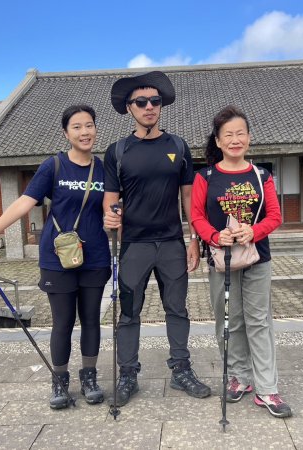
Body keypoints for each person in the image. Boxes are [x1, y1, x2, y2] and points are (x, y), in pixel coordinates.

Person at [0, 104, 110, 410]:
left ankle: (90, 377)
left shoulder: (105, 169)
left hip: (95, 256)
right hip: (57, 258)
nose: (85, 132)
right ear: (66, 133)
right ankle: (60, 380)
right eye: (77, 127)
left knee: (91, 320)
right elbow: (22, 205)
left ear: (96, 129)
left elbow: (112, 210)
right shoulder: (53, 166)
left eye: (89, 125)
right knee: (63, 322)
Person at [102, 71, 211, 406]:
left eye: (155, 101)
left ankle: (181, 370)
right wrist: (110, 218)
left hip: (170, 244)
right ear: (129, 108)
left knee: (176, 309)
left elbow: (189, 198)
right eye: (141, 102)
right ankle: (128, 375)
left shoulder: (177, 146)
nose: (149, 107)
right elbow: (110, 199)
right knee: (130, 312)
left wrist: (194, 240)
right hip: (134, 245)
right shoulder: (117, 151)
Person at [190, 105, 292, 418]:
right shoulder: (205, 176)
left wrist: (254, 230)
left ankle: (267, 389)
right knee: (229, 320)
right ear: (218, 141)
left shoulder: (262, 175)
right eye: (228, 135)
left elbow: (275, 215)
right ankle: (237, 377)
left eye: (240, 134)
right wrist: (212, 236)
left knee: (258, 321)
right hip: (221, 258)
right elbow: (196, 215)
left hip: (257, 257)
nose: (235, 140)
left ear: (249, 137)